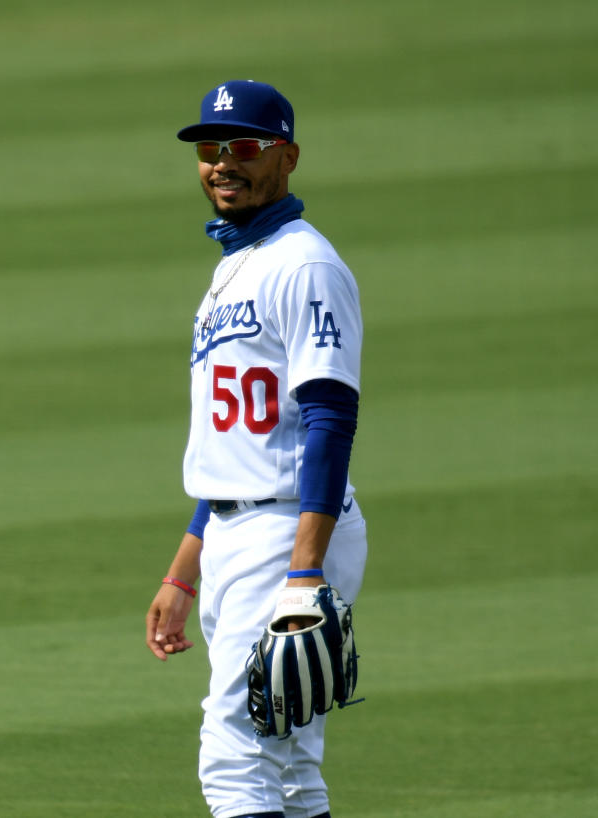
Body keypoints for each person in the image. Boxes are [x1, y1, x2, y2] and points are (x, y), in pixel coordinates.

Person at [144, 80, 368, 818]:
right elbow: (238, 436)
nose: (221, 163)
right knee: (290, 764)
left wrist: (305, 571)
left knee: (234, 757)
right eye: (210, 148)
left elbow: (330, 418)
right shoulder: (235, 265)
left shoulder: (304, 266)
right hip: (236, 529)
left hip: (288, 529)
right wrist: (186, 566)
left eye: (243, 146)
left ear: (288, 157)